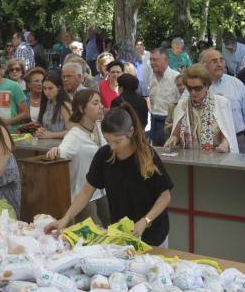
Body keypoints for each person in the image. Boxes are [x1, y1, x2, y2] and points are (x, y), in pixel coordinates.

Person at [44, 104, 174, 246]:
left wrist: (146, 220)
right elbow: (86, 191)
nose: (112, 147)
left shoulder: (147, 155)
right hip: (120, 234)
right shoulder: (104, 155)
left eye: (117, 141)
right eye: (108, 141)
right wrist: (65, 218)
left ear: (130, 131)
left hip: (153, 233)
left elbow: (165, 196)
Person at [46, 89, 110, 226]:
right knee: (93, 235)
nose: (101, 106)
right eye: (95, 103)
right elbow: (61, 152)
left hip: (101, 191)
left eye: (100, 102)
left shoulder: (99, 126)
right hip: (82, 194)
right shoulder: (74, 135)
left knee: (111, 228)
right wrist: (55, 150)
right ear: (82, 108)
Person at [198, 49, 245, 154]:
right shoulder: (196, 87)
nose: (219, 64)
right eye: (214, 61)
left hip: (237, 139)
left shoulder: (236, 84)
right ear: (203, 66)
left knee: (237, 171)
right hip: (207, 142)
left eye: (221, 60)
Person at [165, 64, 238, 152]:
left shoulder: (221, 103)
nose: (193, 92)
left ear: (207, 86)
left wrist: (225, 144)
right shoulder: (182, 105)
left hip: (216, 160)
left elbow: (227, 135)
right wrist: (173, 139)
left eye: (197, 88)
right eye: (189, 88)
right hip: (189, 161)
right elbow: (176, 134)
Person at [142, 48, 180, 146]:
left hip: (169, 123)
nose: (152, 62)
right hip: (154, 121)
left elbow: (182, 103)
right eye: (150, 60)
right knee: (156, 153)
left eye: (155, 60)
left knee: (169, 154)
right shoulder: (150, 77)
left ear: (166, 60)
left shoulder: (176, 77)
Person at [36, 71, 72, 139]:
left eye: (50, 88)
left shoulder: (64, 105)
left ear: (59, 87)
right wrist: (41, 131)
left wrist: (51, 135)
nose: (47, 92)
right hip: (46, 144)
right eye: (44, 88)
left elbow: (72, 131)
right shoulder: (47, 103)